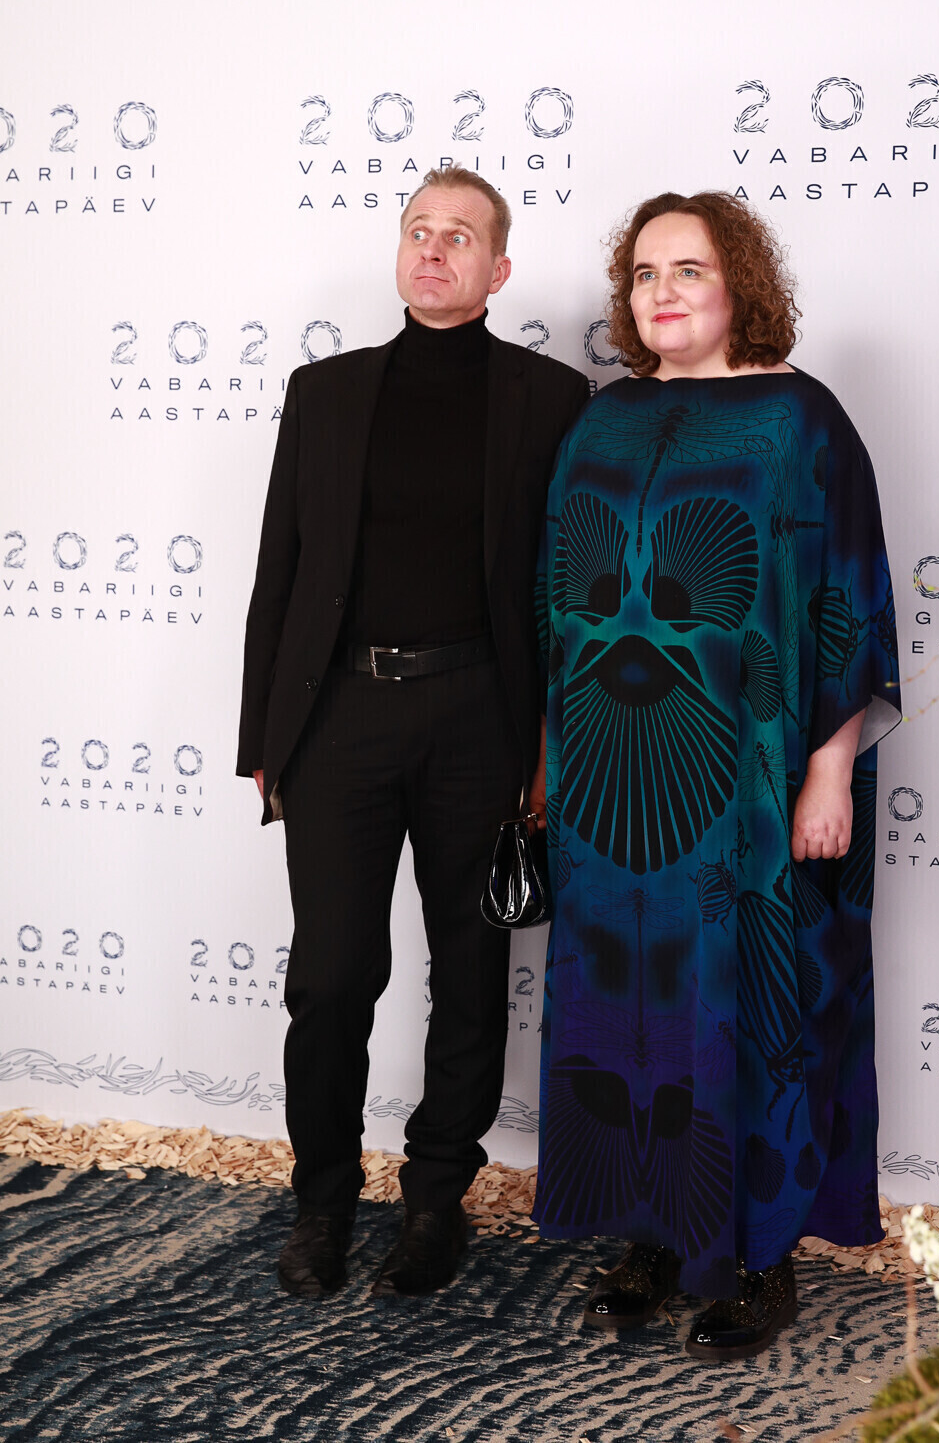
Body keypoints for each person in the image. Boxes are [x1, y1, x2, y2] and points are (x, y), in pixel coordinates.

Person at [532, 191, 900, 1359]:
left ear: (739, 282)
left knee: (753, 1006)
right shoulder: (603, 421)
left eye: (688, 268)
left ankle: (759, 1257)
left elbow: (849, 595)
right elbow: (559, 605)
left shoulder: (801, 419)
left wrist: (829, 771)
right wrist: (548, 762)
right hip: (605, 793)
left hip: (748, 781)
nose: (663, 292)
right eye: (645, 273)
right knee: (621, 1010)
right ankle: (647, 1236)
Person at [237, 165, 589, 1300]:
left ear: (499, 269)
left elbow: (564, 590)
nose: (433, 250)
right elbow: (280, 571)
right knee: (332, 974)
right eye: (418, 231)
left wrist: (547, 745)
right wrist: (264, 738)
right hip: (338, 716)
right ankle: (323, 1200)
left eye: (460, 237)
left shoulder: (552, 399)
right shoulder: (325, 391)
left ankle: (437, 1200)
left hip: (480, 716)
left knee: (472, 971)